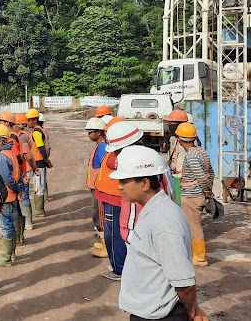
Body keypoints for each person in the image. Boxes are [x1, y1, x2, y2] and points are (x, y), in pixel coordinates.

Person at [112, 145, 210, 321]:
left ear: (144, 183)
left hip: (162, 316)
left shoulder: (163, 220)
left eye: (124, 181)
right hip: (151, 311)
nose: (119, 187)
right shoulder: (153, 210)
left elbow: (184, 281)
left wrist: (192, 310)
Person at [96, 121, 143, 280]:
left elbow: (111, 162)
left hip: (116, 199)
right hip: (114, 198)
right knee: (116, 233)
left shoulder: (122, 157)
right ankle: (120, 264)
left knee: (115, 234)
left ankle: (120, 268)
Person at [176, 122, 214, 267]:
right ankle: (196, 255)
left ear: (180, 140)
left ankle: (199, 258)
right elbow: (210, 173)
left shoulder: (191, 156)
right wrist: (207, 191)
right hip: (198, 195)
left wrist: (206, 191)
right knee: (194, 224)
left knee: (193, 227)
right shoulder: (202, 152)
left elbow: (202, 177)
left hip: (192, 196)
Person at [0, 124, 21, 268]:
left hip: (6, 198)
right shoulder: (10, 153)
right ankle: (11, 254)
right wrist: (18, 188)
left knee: (5, 227)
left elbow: (7, 178)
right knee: (11, 225)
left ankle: (5, 257)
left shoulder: (2, 157)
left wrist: (14, 187)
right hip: (12, 196)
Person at [84, 117, 109, 259]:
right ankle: (103, 242)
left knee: (99, 215)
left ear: (99, 132)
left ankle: (106, 247)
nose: (89, 135)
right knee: (98, 215)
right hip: (95, 185)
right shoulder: (100, 146)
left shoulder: (102, 147)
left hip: (99, 186)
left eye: (90, 132)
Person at [27, 108, 52, 214]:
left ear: (35, 120)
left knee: (38, 186)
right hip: (40, 161)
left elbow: (41, 148)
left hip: (38, 162)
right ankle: (39, 209)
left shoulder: (36, 132)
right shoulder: (41, 130)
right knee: (40, 184)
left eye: (29, 120)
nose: (27, 122)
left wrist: (46, 160)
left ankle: (39, 211)